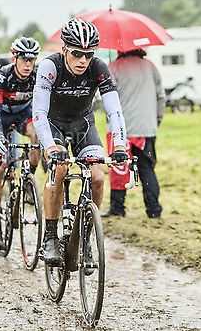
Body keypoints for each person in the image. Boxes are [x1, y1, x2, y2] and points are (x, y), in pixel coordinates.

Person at [32, 18, 129, 265]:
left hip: (82, 124)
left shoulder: (99, 68)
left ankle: (86, 237)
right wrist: (51, 147)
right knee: (60, 168)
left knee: (97, 175)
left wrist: (119, 145)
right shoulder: (49, 66)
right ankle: (51, 237)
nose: (83, 61)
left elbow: (114, 110)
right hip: (52, 125)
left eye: (88, 54)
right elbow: (39, 113)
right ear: (64, 49)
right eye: (76, 54)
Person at [0, 37, 42, 249]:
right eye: (24, 59)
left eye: (32, 60)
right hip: (1, 117)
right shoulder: (2, 76)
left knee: (36, 137)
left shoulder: (37, 75)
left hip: (22, 116)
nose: (28, 64)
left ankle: (29, 179)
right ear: (14, 58)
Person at [103, 49, 165, 218]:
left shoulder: (113, 67)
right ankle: (153, 210)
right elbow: (161, 96)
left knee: (119, 168)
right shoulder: (150, 66)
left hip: (120, 130)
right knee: (147, 168)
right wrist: (156, 120)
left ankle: (117, 208)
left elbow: (105, 97)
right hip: (146, 128)